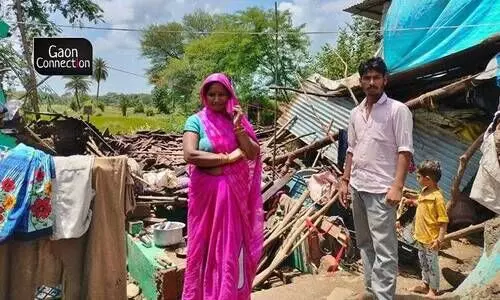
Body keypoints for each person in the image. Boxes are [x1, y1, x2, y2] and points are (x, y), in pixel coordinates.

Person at [182, 73, 263, 300]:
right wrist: (227, 159)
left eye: (221, 94)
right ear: (204, 96)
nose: (216, 99)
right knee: (204, 248)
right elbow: (190, 154)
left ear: (229, 95)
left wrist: (238, 129)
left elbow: (253, 152)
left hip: (232, 200)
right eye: (211, 94)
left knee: (230, 250)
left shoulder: (234, 121)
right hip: (205, 199)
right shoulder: (196, 121)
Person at [339, 57, 414, 300]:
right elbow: (352, 149)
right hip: (358, 187)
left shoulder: (397, 110)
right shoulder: (355, 113)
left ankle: (384, 296)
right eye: (367, 78)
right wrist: (345, 180)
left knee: (385, 250)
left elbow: (405, 150)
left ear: (384, 80)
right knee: (364, 244)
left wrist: (398, 186)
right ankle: (372, 292)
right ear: (361, 82)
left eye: (376, 78)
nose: (371, 82)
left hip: (382, 190)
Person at [406, 160, 448, 298]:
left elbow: (443, 221)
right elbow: (421, 202)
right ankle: (425, 285)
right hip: (420, 236)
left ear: (427, 179)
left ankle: (433, 289)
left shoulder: (438, 198)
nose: (417, 178)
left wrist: (439, 239)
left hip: (431, 239)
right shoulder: (424, 191)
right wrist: (412, 201)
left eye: (419, 176)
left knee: (432, 265)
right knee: (423, 262)